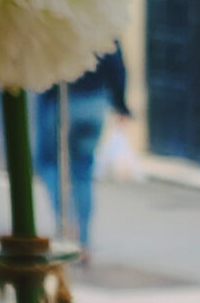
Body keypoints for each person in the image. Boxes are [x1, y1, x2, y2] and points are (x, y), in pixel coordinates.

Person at [34, 45, 130, 262]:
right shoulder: (102, 22)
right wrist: (121, 105)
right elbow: (117, 65)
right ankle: (84, 241)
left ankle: (67, 223)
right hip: (95, 104)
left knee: (48, 164)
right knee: (83, 171)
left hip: (62, 101)